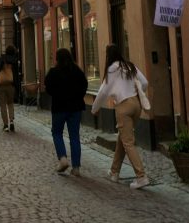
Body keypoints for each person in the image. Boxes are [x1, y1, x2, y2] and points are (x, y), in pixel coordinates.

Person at [91, 43, 150, 188]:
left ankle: (141, 176)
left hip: (123, 106)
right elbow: (144, 82)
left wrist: (94, 109)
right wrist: (137, 94)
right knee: (122, 138)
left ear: (108, 56)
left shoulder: (112, 69)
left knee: (128, 142)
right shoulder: (129, 66)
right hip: (136, 105)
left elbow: (103, 92)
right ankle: (114, 172)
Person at [44, 48, 88, 176]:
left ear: (57, 59)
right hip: (75, 108)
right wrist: (78, 97)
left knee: (57, 133)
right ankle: (76, 167)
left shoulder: (53, 72)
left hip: (59, 108)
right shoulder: (77, 71)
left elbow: (48, 88)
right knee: (74, 136)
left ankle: (63, 158)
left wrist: (57, 95)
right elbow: (84, 85)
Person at [0, 45, 19, 132]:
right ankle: (11, 121)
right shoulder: (15, 60)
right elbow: (16, 74)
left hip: (2, 85)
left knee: (3, 105)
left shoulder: (3, 58)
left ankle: (5, 125)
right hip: (11, 85)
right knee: (10, 103)